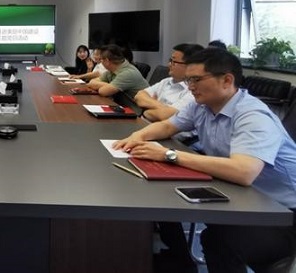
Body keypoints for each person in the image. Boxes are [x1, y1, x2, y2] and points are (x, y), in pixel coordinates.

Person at [113, 49, 296, 273]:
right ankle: (176, 259)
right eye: (189, 80)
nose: (190, 86)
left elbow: (244, 172)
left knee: (220, 235)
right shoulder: (201, 106)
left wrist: (170, 155)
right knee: (187, 213)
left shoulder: (252, 116)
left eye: (196, 80)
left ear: (227, 80)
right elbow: (168, 126)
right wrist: (136, 136)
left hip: (282, 212)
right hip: (244, 196)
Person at [134, 43, 204, 121]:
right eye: (170, 60)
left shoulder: (194, 90)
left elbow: (167, 116)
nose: (169, 65)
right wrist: (161, 107)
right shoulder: (166, 81)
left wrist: (147, 110)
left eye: (174, 62)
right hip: (144, 123)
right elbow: (139, 96)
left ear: (190, 65)